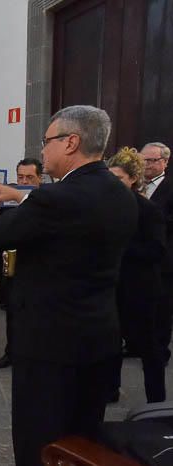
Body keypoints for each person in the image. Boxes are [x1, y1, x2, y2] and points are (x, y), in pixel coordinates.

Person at [0, 105, 137, 466]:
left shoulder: (56, 199)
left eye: (47, 140)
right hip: (98, 340)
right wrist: (20, 195)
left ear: (71, 142)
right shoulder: (119, 193)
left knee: (40, 442)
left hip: (50, 346)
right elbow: (72, 213)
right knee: (81, 443)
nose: (43, 148)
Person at [107, 147, 166, 403]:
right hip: (112, 285)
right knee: (110, 344)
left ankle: (157, 401)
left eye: (118, 179)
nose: (113, 185)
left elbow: (156, 249)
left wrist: (119, 244)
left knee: (149, 349)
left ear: (132, 179)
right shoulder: (104, 206)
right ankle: (110, 390)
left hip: (140, 288)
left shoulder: (148, 210)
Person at [0, 158, 43, 370]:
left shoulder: (45, 198)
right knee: (12, 309)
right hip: (10, 259)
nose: (24, 181)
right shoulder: (7, 193)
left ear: (40, 178)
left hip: (37, 265)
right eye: (20, 177)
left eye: (29, 177)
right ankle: (11, 352)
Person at [139, 142, 173, 363]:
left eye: (153, 160)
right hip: (138, 256)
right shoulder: (134, 184)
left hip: (164, 258)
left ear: (165, 162)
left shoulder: (169, 187)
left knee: (161, 307)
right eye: (144, 160)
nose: (148, 165)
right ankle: (137, 344)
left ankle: (160, 350)